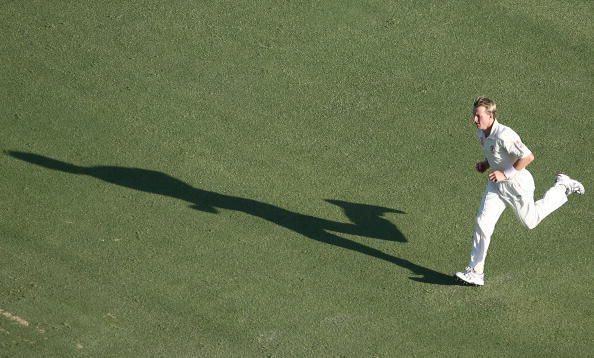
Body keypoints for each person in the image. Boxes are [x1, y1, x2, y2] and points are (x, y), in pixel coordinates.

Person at [455, 96, 585, 286]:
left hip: (517, 186)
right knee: (482, 223)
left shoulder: (505, 134)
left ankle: (562, 186)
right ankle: (476, 272)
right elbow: (496, 155)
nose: (474, 120)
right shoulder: (481, 133)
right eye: (473, 116)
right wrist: (486, 164)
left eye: (478, 116)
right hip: (496, 186)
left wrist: (504, 174)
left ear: (490, 115)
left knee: (530, 221)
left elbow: (527, 157)